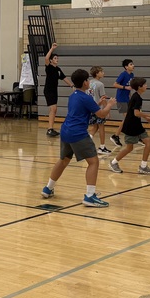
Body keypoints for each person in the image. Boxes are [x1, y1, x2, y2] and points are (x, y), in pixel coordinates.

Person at [41, 68, 115, 207]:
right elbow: (101, 115)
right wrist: (109, 105)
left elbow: (85, 109)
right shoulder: (86, 97)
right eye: (87, 79)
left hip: (66, 131)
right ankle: (89, 196)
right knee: (93, 162)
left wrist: (97, 104)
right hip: (78, 133)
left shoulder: (74, 95)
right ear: (85, 82)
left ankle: (48, 188)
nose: (88, 81)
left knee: (63, 160)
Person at [107, 77, 150, 175]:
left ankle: (143, 166)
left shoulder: (136, 96)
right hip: (131, 126)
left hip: (136, 125)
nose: (146, 86)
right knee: (129, 148)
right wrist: (149, 115)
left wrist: (146, 118)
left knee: (148, 143)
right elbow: (136, 113)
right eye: (144, 84)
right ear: (140, 87)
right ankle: (113, 162)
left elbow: (135, 112)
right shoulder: (137, 98)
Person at [43, 42, 72, 137]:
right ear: (51, 61)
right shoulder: (49, 67)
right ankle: (49, 129)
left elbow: (64, 78)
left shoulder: (58, 69)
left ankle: (50, 128)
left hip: (54, 91)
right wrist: (52, 49)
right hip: (48, 90)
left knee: (54, 110)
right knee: (53, 108)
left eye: (57, 58)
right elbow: (46, 58)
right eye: (55, 58)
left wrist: (72, 85)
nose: (57, 60)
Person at [109, 59, 136, 149]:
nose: (133, 65)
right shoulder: (123, 74)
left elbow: (130, 88)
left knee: (131, 117)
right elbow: (115, 84)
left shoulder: (132, 75)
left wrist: (131, 97)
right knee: (127, 118)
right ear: (126, 67)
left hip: (127, 99)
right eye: (131, 64)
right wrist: (125, 87)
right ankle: (115, 136)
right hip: (121, 99)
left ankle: (135, 135)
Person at [87, 66, 111, 154]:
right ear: (97, 73)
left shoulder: (88, 83)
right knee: (101, 127)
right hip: (99, 109)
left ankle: (86, 143)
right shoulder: (100, 84)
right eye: (101, 71)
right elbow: (103, 98)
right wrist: (107, 109)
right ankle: (102, 147)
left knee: (95, 126)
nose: (103, 73)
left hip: (91, 108)